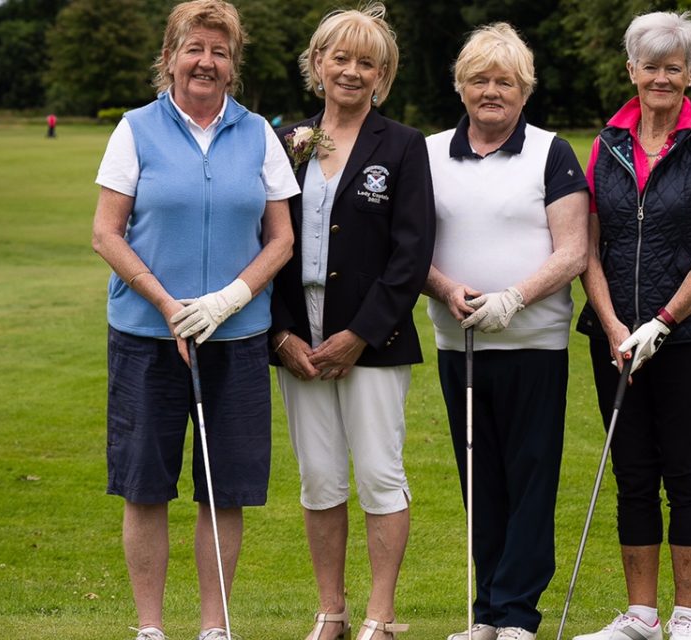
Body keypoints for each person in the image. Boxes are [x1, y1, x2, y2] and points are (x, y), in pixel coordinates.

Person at [90, 2, 299, 639]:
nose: (205, 61)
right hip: (147, 336)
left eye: (219, 50)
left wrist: (227, 300)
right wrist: (169, 304)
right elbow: (106, 232)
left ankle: (215, 628)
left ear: (233, 65)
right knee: (145, 485)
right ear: (171, 57)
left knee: (223, 489)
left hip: (233, 337)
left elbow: (281, 238)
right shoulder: (135, 129)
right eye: (194, 48)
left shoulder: (259, 133)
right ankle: (150, 628)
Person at [571, 11, 691, 640]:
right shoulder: (607, 144)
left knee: (685, 467)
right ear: (632, 71)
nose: (662, 78)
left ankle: (686, 616)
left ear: (689, 74)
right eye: (651, 67)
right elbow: (587, 247)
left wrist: (663, 323)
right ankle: (641, 615)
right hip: (615, 336)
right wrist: (616, 323)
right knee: (633, 469)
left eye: (674, 68)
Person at [270, 4, 435, 640]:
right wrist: (281, 334)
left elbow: (411, 252)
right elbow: (261, 240)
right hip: (296, 338)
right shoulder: (284, 141)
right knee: (318, 478)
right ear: (317, 63)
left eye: (367, 61)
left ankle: (380, 616)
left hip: (373, 337)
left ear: (383, 74)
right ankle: (331, 611)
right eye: (339, 57)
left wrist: (359, 334)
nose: (351, 70)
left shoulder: (402, 145)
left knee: (378, 474)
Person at [425, 23, 589, 640]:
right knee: (480, 482)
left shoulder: (552, 152)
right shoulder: (430, 151)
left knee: (529, 479)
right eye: (479, 80)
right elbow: (407, 248)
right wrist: (445, 287)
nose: (491, 91)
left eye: (505, 82)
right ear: (461, 87)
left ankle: (517, 616)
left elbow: (574, 250)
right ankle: (486, 613)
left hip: (533, 345)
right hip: (458, 342)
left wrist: (514, 298)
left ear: (524, 92)